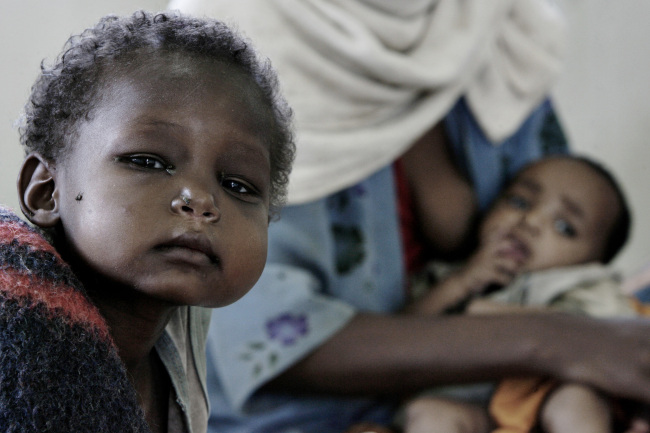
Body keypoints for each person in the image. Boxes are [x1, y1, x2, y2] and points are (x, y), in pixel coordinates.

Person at [168, 1, 650, 432]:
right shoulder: (223, 61)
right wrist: (557, 339)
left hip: (496, 398)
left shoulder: (486, 21)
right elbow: (267, 336)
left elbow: (571, 230)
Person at [0, 10, 294, 433]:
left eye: (238, 185)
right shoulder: (16, 333)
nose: (201, 200)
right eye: (148, 161)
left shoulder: (183, 331)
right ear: (46, 190)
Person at [401, 155, 636, 433]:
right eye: (519, 202)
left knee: (576, 400)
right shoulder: (446, 276)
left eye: (564, 227)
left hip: (540, 400)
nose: (530, 221)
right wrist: (460, 283)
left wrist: (485, 313)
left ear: (593, 261)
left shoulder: (583, 284)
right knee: (427, 414)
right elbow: (398, 338)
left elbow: (611, 336)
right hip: (471, 411)